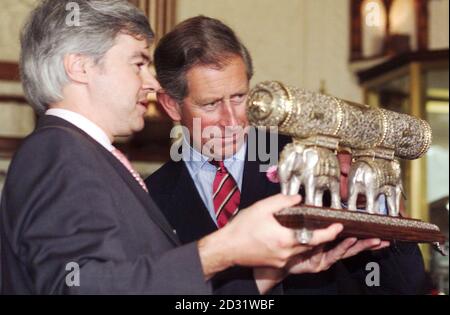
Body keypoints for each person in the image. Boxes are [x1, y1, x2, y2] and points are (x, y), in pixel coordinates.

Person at [0, 0, 364, 295]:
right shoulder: (58, 153)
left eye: (239, 97)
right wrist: (222, 250)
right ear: (80, 67)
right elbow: (79, 287)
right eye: (138, 63)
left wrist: (267, 275)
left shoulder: (88, 155)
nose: (150, 80)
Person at [146, 15, 427, 294]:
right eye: (210, 104)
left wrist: (371, 205)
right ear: (171, 105)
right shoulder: (150, 199)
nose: (231, 120)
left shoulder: (312, 162)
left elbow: (404, 284)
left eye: (239, 97)